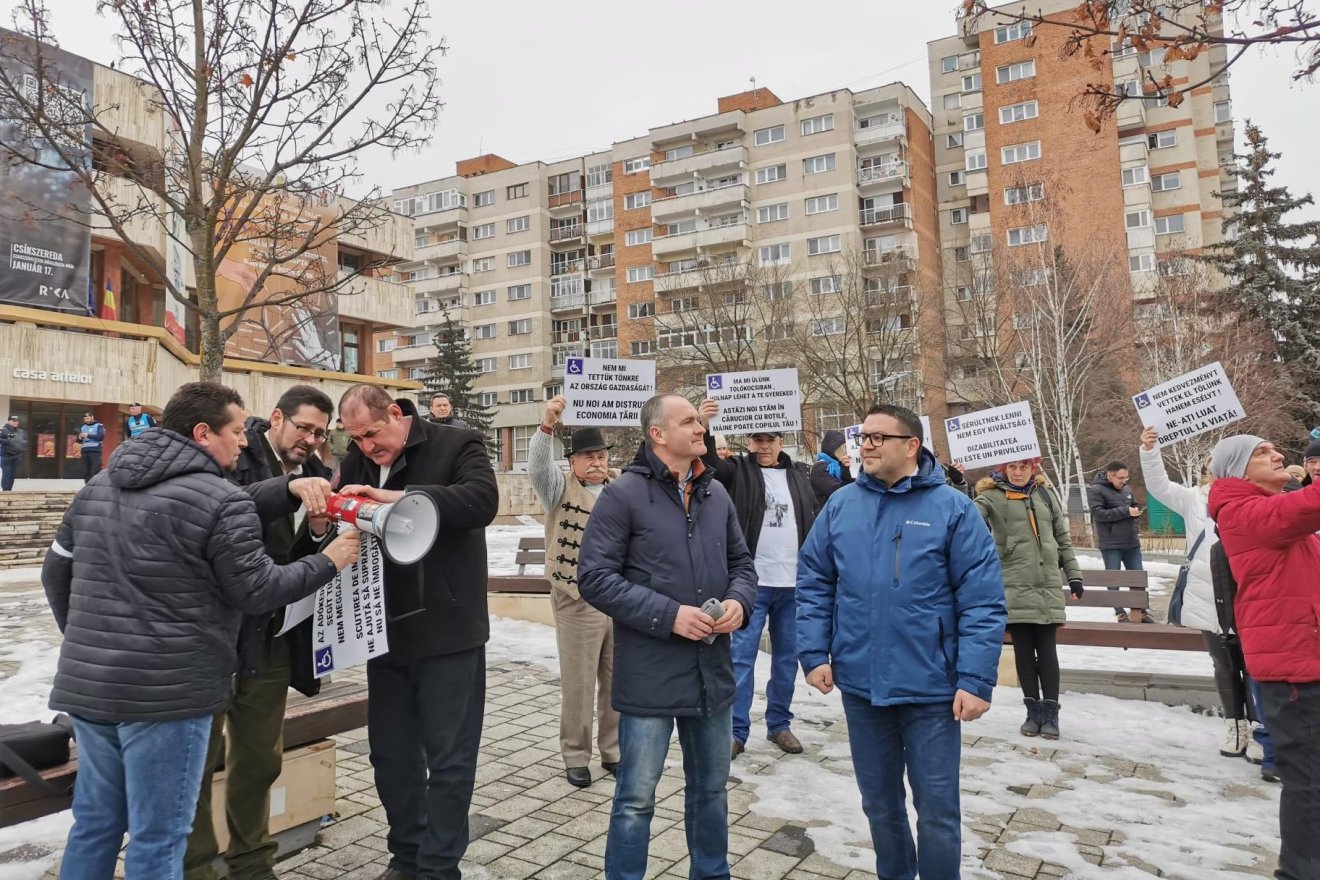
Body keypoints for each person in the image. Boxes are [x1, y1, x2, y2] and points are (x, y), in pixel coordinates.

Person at [40, 381, 358, 880]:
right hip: (171, 696)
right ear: (204, 432)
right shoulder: (219, 497)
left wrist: (87, 643)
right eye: (236, 431)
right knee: (159, 836)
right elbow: (255, 589)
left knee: (97, 824)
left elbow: (56, 572)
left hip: (90, 688)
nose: (243, 441)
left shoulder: (98, 485)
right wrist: (329, 561)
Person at [797, 403, 1006, 880]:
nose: (864, 445)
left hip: (932, 688)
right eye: (862, 436)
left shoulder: (952, 508)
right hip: (861, 683)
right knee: (879, 805)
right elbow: (814, 581)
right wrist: (813, 652)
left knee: (936, 811)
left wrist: (975, 679)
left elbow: (982, 600)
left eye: (877, 437)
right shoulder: (841, 504)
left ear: (911, 446)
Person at [578, 393, 757, 880]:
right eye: (690, 422)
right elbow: (594, 577)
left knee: (712, 789)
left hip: (711, 673)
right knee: (636, 798)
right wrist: (669, 615)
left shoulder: (715, 492)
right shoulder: (623, 495)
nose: (701, 428)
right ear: (657, 434)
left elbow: (742, 564)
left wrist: (740, 601)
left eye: (699, 421)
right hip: (650, 673)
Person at [335, 384, 498, 880]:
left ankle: (439, 867)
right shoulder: (356, 460)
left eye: (372, 433)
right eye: (356, 438)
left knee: (449, 760)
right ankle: (405, 857)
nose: (367, 447)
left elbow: (480, 502)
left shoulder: (457, 442)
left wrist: (392, 498)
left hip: (449, 630)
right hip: (382, 631)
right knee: (391, 756)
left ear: (395, 414)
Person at [183, 385, 336, 880]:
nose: (311, 439)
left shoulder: (318, 474)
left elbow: (301, 556)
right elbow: (227, 504)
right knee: (198, 766)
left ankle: (252, 862)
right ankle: (197, 867)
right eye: (305, 427)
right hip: (217, 638)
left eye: (320, 433)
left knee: (259, 761)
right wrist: (285, 490)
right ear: (276, 419)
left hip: (271, 638)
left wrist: (317, 531)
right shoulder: (235, 453)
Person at [1208, 433, 1320, 878]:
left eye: (1277, 449)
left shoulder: (1272, 510)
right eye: (1261, 452)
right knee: (1310, 783)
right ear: (1236, 468)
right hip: (1292, 670)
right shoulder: (1240, 511)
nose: (1279, 455)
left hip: (1306, 657)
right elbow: (1305, 507)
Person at [696, 401, 816, 759]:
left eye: (770, 439)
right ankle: (735, 730)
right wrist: (705, 424)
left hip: (793, 583)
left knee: (786, 659)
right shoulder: (737, 470)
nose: (763, 446)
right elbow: (711, 467)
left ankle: (779, 724)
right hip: (752, 585)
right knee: (742, 656)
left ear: (781, 440)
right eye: (757, 439)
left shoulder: (799, 474)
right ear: (747, 441)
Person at [1138, 427, 1259, 758]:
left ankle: (1261, 729)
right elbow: (1160, 487)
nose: (1215, 473)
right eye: (1211, 467)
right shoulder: (1194, 498)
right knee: (1223, 663)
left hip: (1249, 591)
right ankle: (1236, 727)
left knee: (1254, 665)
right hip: (1209, 594)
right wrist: (1150, 451)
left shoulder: (1257, 496)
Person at [527, 394, 620, 787]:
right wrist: (547, 424)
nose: (597, 462)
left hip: (620, 596)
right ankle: (576, 755)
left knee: (619, 681)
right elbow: (537, 466)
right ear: (573, 463)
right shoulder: (558, 487)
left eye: (601, 455)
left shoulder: (622, 487)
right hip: (577, 597)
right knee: (579, 683)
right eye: (588, 457)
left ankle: (614, 751)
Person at [975, 458, 1082, 740]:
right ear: (1003, 470)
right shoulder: (990, 497)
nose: (1018, 472)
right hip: (1013, 584)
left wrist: (1074, 575)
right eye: (1012, 467)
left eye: (1023, 466)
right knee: (1023, 650)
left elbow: (1062, 537)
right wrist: (960, 483)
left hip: (1046, 584)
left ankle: (1051, 713)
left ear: (1032, 468)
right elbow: (969, 517)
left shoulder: (1044, 494)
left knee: (1047, 650)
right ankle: (1032, 712)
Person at [1087, 460, 1152, 623]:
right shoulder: (1096, 490)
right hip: (1111, 543)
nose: (1124, 481)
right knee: (1114, 578)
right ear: (1110, 475)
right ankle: (1120, 612)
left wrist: (1137, 510)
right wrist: (1125, 511)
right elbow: (1098, 514)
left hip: (1131, 542)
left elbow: (1133, 505)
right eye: (1121, 478)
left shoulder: (1127, 489)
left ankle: (1140, 612)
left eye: (1126, 478)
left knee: (1137, 576)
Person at [810, 428, 854, 507]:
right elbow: (839, 491)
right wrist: (846, 470)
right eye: (845, 447)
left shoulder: (839, 466)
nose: (847, 451)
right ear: (834, 449)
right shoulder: (820, 469)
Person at [76, 412, 106, 483]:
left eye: (88, 418)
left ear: (92, 417)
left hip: (95, 450)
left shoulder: (99, 426)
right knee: (85, 470)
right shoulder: (83, 427)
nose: (86, 420)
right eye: (85, 419)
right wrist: (79, 437)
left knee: (95, 469)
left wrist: (87, 435)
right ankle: (87, 486)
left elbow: (101, 437)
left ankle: (95, 484)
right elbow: (78, 440)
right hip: (84, 451)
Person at [0, 415, 25, 492]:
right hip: (6, 456)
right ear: (9, 421)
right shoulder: (3, 430)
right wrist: (9, 440)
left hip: (17, 456)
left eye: (17, 421)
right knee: (7, 474)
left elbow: (24, 441)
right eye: (13, 420)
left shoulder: (20, 431)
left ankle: (9, 491)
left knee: (12, 475)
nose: (16, 422)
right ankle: (6, 491)